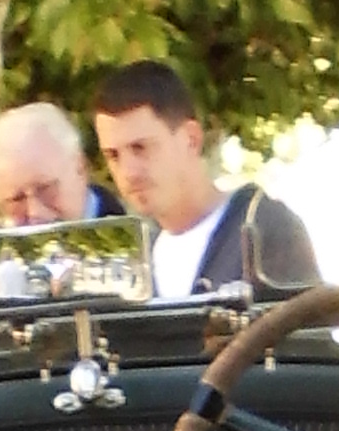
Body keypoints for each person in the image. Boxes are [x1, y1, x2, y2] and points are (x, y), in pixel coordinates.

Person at [87, 65, 316, 297]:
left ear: (191, 139)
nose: (128, 172)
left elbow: (308, 320)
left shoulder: (264, 228)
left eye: (140, 148)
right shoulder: (131, 265)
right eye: (113, 155)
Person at [0, 102, 122, 231]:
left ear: (80, 167)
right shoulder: (1, 253)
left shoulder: (134, 240)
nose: (35, 212)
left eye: (45, 189)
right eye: (16, 199)